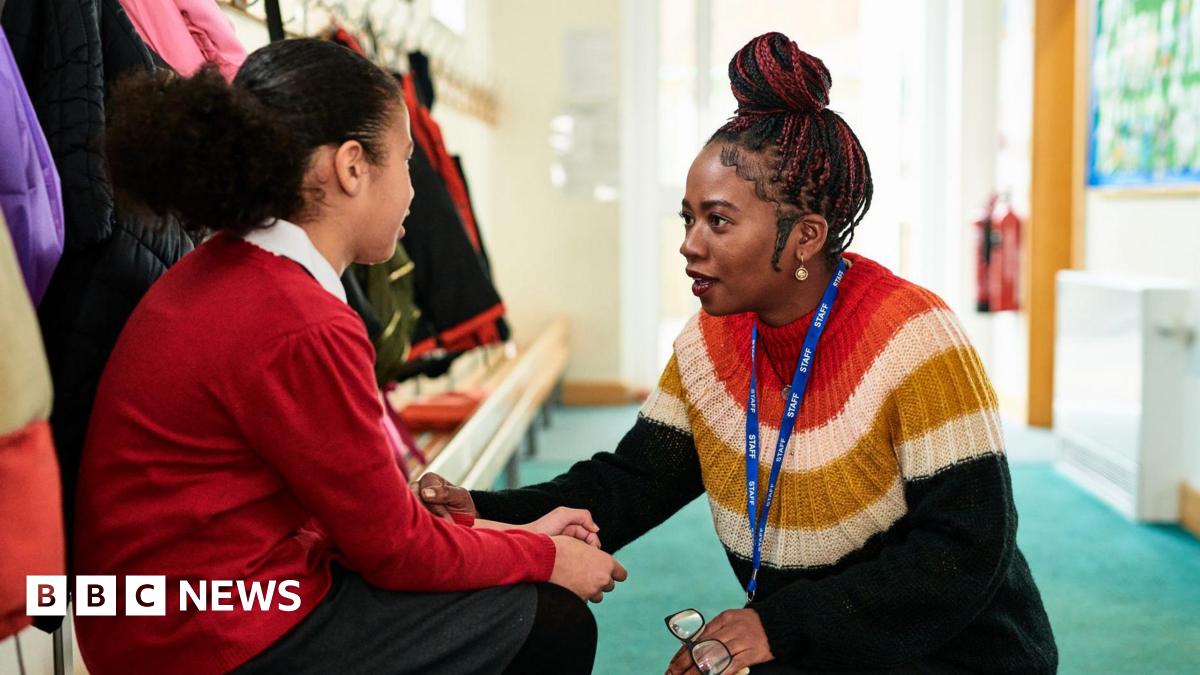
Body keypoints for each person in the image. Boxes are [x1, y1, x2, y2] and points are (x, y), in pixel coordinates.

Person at [418, 32, 1058, 674]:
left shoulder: (914, 336)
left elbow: (966, 549)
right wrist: (485, 511)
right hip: (822, 638)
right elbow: (633, 481)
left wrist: (776, 626)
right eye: (687, 218)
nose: (690, 245)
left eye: (717, 221)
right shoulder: (711, 339)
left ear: (804, 237)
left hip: (956, 652)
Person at [72, 38, 625, 675]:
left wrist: (518, 535)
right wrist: (548, 559)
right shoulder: (299, 320)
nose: (415, 192)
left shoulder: (230, 270)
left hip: (165, 617)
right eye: (407, 162)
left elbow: (360, 525)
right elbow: (395, 553)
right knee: (548, 620)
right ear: (353, 167)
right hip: (207, 638)